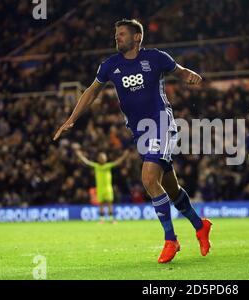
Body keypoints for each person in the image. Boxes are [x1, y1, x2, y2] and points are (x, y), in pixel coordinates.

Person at [54, 19, 212, 263]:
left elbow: (180, 71)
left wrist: (189, 75)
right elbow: (91, 91)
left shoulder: (156, 58)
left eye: (122, 34)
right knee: (170, 188)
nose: (117, 38)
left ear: (137, 37)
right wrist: (72, 118)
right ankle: (200, 226)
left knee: (148, 178)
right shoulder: (110, 65)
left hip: (161, 125)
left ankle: (171, 239)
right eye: (116, 34)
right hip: (140, 134)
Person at [75, 147, 129, 223]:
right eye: (101, 157)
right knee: (101, 204)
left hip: (108, 188)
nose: (102, 159)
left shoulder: (108, 166)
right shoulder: (96, 166)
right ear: (98, 159)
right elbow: (87, 162)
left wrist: (124, 156)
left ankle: (111, 219)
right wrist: (80, 156)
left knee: (109, 203)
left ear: (106, 159)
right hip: (100, 189)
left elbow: (117, 162)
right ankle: (102, 219)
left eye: (104, 157)